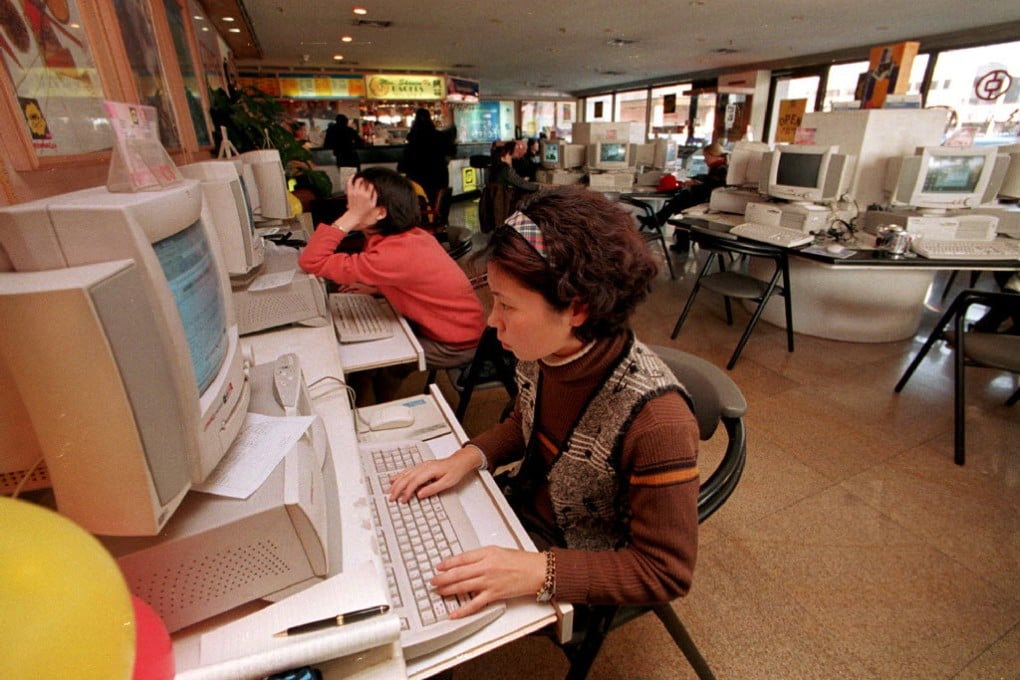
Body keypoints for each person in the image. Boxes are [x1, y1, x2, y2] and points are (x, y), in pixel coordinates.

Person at [386, 186, 700, 621]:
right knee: (408, 548)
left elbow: (666, 572)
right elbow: (526, 420)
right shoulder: (548, 351)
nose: (492, 321)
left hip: (582, 559)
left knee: (426, 610)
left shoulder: (657, 422)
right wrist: (470, 456)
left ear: (577, 309)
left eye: (506, 305)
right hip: (525, 514)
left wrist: (540, 570)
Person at [298, 167, 485, 400]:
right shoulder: (407, 237)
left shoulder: (393, 253)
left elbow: (311, 261)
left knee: (381, 361)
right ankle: (365, 402)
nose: (350, 205)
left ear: (380, 212)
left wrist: (349, 219)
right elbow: (411, 280)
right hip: (458, 325)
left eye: (359, 202)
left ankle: (379, 411)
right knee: (368, 355)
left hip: (456, 343)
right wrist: (377, 287)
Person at [655, 141, 729, 252]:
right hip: (710, 198)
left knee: (681, 201)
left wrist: (696, 184)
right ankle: (660, 220)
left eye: (706, 157)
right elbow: (711, 184)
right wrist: (698, 182)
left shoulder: (720, 168)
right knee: (682, 199)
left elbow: (711, 186)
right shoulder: (720, 166)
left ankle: (660, 221)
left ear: (713, 155)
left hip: (710, 202)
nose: (704, 160)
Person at [398, 108, 457, 204]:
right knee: (437, 203)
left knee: (420, 203)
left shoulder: (413, 140)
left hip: (417, 180)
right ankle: (436, 217)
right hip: (438, 177)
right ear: (430, 119)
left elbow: (402, 166)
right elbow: (452, 151)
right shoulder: (439, 137)